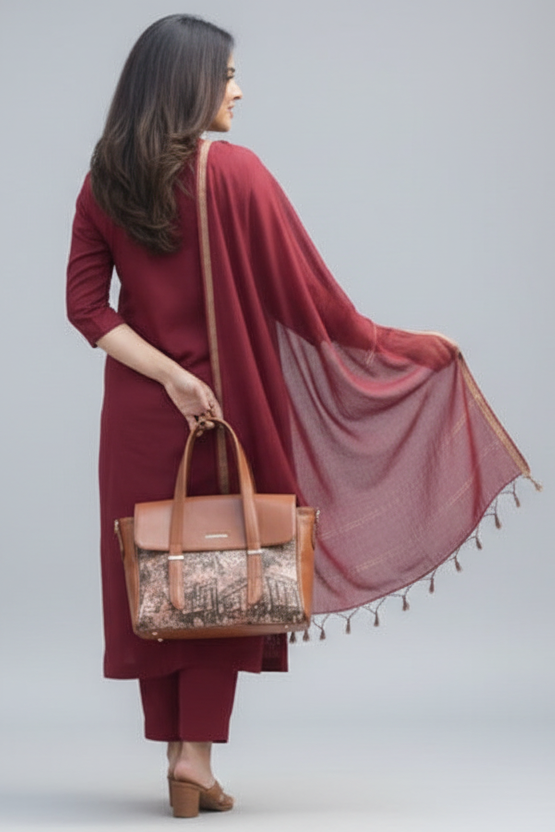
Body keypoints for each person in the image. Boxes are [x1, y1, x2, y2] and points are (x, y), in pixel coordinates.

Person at [67, 13, 533, 820]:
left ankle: (179, 757)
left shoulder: (104, 179)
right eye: (227, 77)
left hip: (141, 415)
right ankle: (194, 758)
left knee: (160, 570)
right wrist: (409, 347)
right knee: (224, 572)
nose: (239, 91)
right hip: (228, 412)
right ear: (187, 84)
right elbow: (315, 307)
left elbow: (85, 308)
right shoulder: (236, 174)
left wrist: (169, 377)